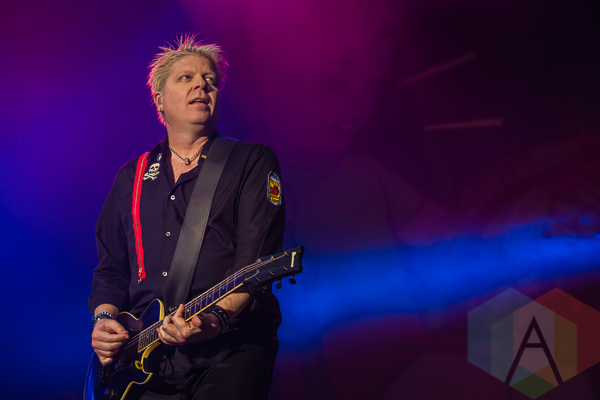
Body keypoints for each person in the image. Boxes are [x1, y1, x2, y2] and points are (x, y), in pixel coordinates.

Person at [88, 35, 285, 399]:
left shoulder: (250, 161)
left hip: (230, 347)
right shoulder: (131, 177)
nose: (201, 85)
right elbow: (111, 268)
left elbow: (255, 261)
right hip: (143, 358)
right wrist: (103, 319)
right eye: (186, 78)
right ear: (159, 99)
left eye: (210, 80)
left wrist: (216, 319)